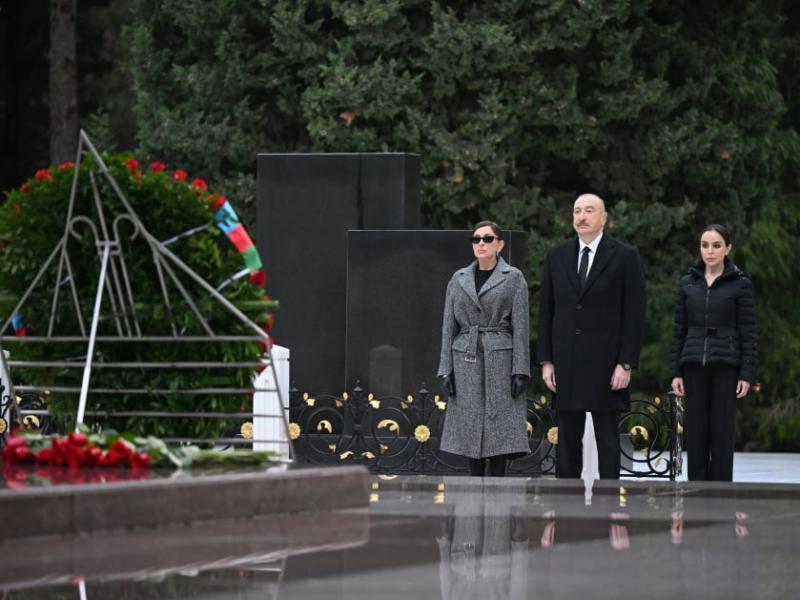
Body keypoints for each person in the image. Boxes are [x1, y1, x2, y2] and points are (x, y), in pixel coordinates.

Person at [537, 194, 646, 479]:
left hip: (607, 364)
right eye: (577, 211)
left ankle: (608, 502)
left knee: (608, 443)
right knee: (567, 445)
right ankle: (567, 502)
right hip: (567, 363)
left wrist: (626, 363)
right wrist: (546, 361)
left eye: (589, 210)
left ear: (604, 218)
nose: (582, 216)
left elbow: (634, 314)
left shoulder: (625, 256)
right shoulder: (557, 255)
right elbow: (546, 311)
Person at [437, 221, 531, 477]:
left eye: (488, 239)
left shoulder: (513, 278)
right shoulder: (458, 278)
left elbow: (521, 326)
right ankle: (474, 483)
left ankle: (498, 483)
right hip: (465, 357)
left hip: (500, 356)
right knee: (470, 422)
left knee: (499, 423)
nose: (481, 243)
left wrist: (521, 370)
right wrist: (445, 369)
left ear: (499, 244)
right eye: (476, 239)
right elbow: (448, 326)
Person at [669, 224, 756, 481]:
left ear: (727, 249)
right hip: (693, 364)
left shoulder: (740, 284)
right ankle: (696, 490)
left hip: (726, 366)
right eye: (705, 245)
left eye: (716, 245)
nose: (710, 251)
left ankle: (721, 491)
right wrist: (675, 372)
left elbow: (748, 331)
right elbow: (678, 330)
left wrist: (747, 373)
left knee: (721, 433)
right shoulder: (687, 284)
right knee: (696, 433)